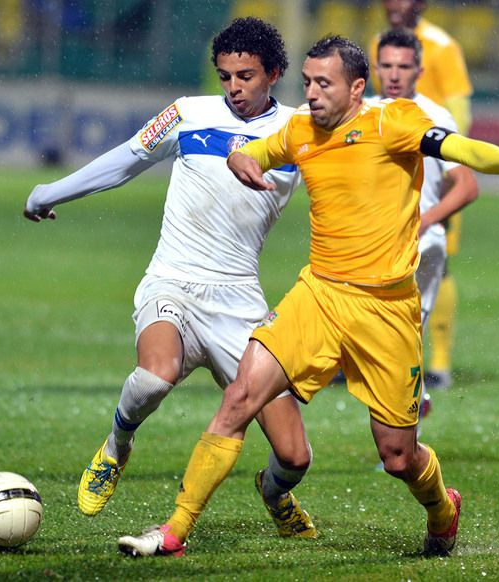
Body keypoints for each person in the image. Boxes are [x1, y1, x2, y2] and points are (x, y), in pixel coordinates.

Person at [118, 36, 499, 558]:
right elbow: (254, 150)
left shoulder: (393, 122)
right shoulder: (301, 129)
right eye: (307, 82)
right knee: (239, 397)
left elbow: (457, 147)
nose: (311, 93)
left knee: (398, 457)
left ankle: (443, 509)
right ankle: (174, 530)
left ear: (356, 87)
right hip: (319, 296)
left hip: (386, 310)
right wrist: (241, 159)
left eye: (323, 83)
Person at [23, 17, 316, 541]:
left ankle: (274, 494)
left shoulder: (300, 131)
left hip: (239, 300)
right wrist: (50, 191)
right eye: (225, 76)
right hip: (173, 281)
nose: (233, 87)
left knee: (294, 456)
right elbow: (124, 161)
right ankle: (117, 445)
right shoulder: (187, 113)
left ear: (274, 73)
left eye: (246, 76)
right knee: (156, 376)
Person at [369, 0, 473, 389]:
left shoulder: (442, 46)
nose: (395, 4)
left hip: (433, 161)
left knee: (436, 267)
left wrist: (444, 158)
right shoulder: (380, 41)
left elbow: (460, 113)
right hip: (388, 166)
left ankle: (438, 364)